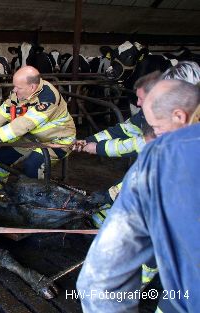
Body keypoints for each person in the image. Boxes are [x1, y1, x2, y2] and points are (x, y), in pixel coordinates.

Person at [77, 81, 200, 313]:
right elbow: (133, 141)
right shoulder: (169, 141)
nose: (154, 134)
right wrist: (92, 145)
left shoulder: (167, 156)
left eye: (158, 127)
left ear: (179, 115)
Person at [0, 65, 75, 183]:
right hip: (32, 138)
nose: (14, 90)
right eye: (14, 86)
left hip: (57, 141)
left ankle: (35, 196)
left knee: (32, 166)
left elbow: (25, 123)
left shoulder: (48, 98)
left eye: (18, 87)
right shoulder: (19, 94)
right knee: (2, 156)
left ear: (32, 87)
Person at [73, 70, 161, 157]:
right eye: (137, 98)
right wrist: (88, 141)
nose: (137, 103)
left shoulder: (166, 122)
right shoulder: (144, 113)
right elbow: (124, 129)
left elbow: (140, 144)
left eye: (141, 99)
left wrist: (98, 148)